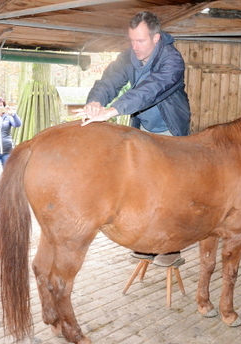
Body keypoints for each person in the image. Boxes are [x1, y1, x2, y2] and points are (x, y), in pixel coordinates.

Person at [73, 11, 191, 267]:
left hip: (171, 129)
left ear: (156, 38)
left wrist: (113, 110)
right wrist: (95, 102)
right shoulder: (128, 57)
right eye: (132, 40)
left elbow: (152, 89)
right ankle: (146, 243)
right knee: (142, 187)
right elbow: (108, 81)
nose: (135, 47)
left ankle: (172, 246)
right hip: (143, 127)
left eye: (141, 41)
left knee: (171, 189)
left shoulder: (172, 59)